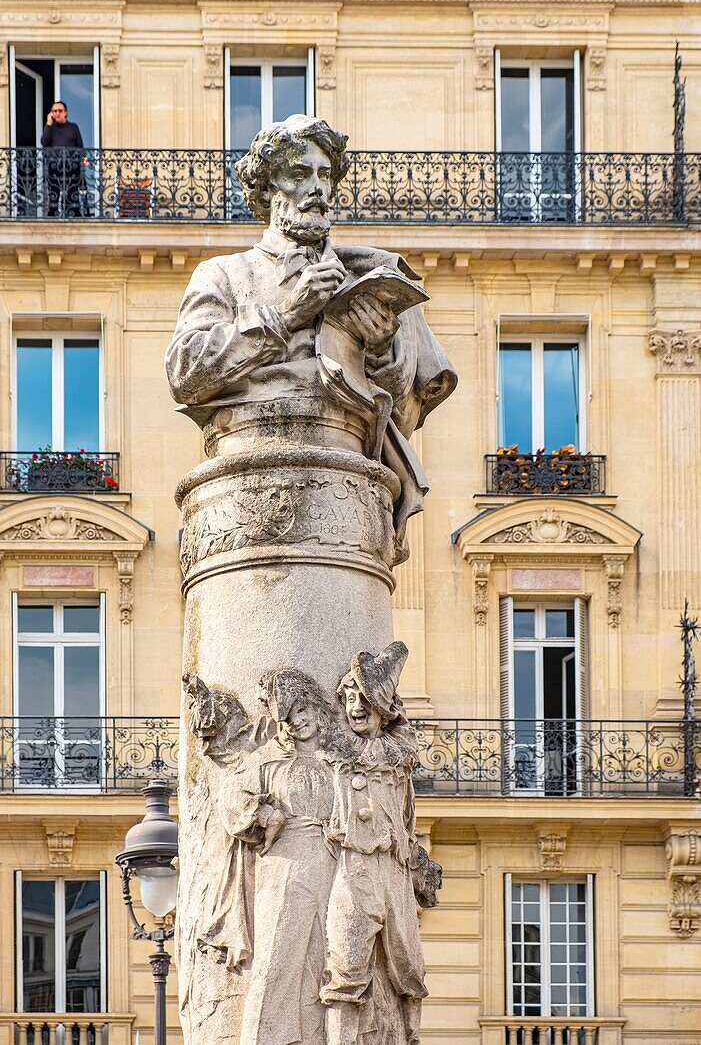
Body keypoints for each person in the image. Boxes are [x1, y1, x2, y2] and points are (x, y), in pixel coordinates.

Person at [165, 114, 457, 557]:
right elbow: (185, 371)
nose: (316, 188)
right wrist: (285, 315)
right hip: (246, 462)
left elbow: (403, 411)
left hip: (347, 465)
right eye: (299, 174)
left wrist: (378, 350)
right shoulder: (225, 273)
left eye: (324, 175)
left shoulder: (362, 274)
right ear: (266, 189)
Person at [212, 668, 337, 1045]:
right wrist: (265, 813)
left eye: (302, 711)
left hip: (333, 863)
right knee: (278, 958)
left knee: (325, 961)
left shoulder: (336, 761)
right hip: (285, 864)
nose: (296, 722)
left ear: (316, 709)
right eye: (286, 716)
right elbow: (230, 799)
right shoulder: (266, 761)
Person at [321, 641, 428, 1045]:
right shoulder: (336, 749)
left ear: (384, 708)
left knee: (408, 964)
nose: (355, 707)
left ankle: (410, 1036)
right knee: (345, 966)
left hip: (393, 871)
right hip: (355, 868)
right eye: (349, 698)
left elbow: (405, 738)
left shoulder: (397, 754)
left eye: (364, 698)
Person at [41, 100, 88, 218]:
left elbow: (80, 146)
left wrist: (83, 159)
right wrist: (48, 123)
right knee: (54, 192)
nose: (57, 113)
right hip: (54, 165)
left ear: (65, 113)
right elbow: (44, 142)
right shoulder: (50, 128)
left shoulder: (73, 127)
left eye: (60, 111)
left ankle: (74, 214)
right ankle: (52, 214)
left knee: (73, 192)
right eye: (54, 111)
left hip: (72, 165)